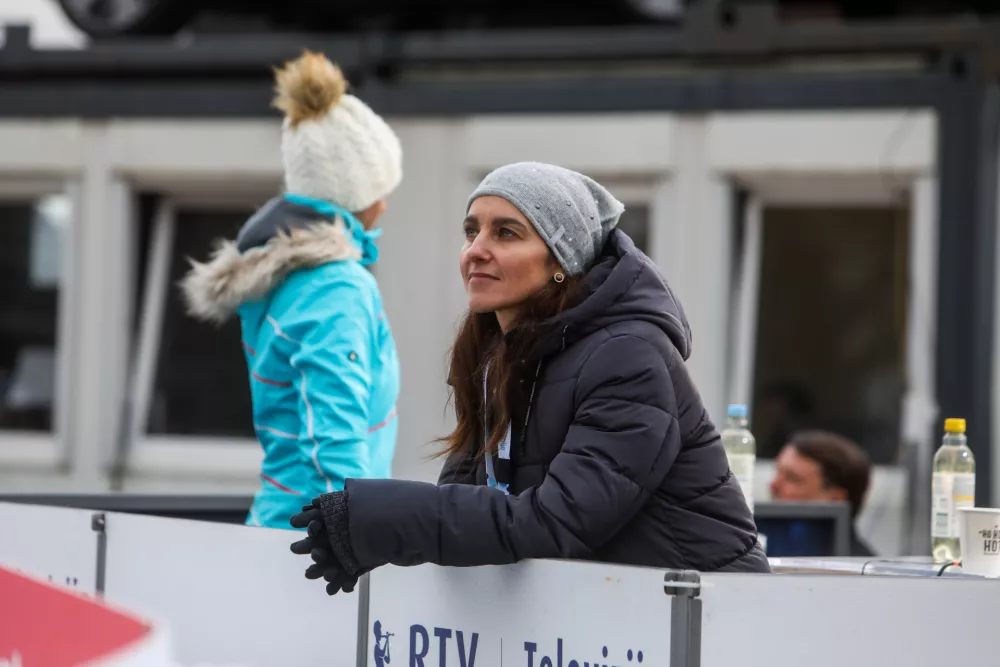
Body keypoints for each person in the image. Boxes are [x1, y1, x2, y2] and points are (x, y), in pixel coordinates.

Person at [289, 161, 769, 593]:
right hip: (606, 622)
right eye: (471, 231)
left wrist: (382, 520)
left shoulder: (630, 358)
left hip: (711, 626)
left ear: (561, 261)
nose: (475, 251)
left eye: (506, 233)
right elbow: (468, 502)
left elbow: (556, 522)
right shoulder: (498, 353)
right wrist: (375, 538)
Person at [180, 50, 402, 529]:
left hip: (284, 527)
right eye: (379, 191)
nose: (385, 206)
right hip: (311, 552)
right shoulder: (337, 287)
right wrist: (351, 539)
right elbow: (334, 434)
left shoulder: (283, 273)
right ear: (355, 197)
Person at [769, 430, 876, 557]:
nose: (773, 485)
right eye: (778, 472)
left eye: (792, 478)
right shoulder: (760, 550)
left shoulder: (859, 572)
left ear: (835, 499)